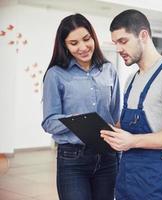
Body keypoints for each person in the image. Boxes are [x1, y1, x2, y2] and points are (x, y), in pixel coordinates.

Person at [101, 9, 162, 200]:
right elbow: (128, 127)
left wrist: (132, 141)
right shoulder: (131, 79)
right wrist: (106, 131)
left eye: (123, 41)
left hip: (155, 182)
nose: (118, 49)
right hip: (127, 179)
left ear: (143, 35)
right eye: (115, 43)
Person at [41, 13, 120, 200]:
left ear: (93, 37)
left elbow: (115, 115)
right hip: (72, 159)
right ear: (65, 45)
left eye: (86, 39)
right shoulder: (55, 74)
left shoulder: (108, 70)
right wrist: (78, 121)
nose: (83, 47)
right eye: (74, 43)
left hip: (107, 158)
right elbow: (49, 123)